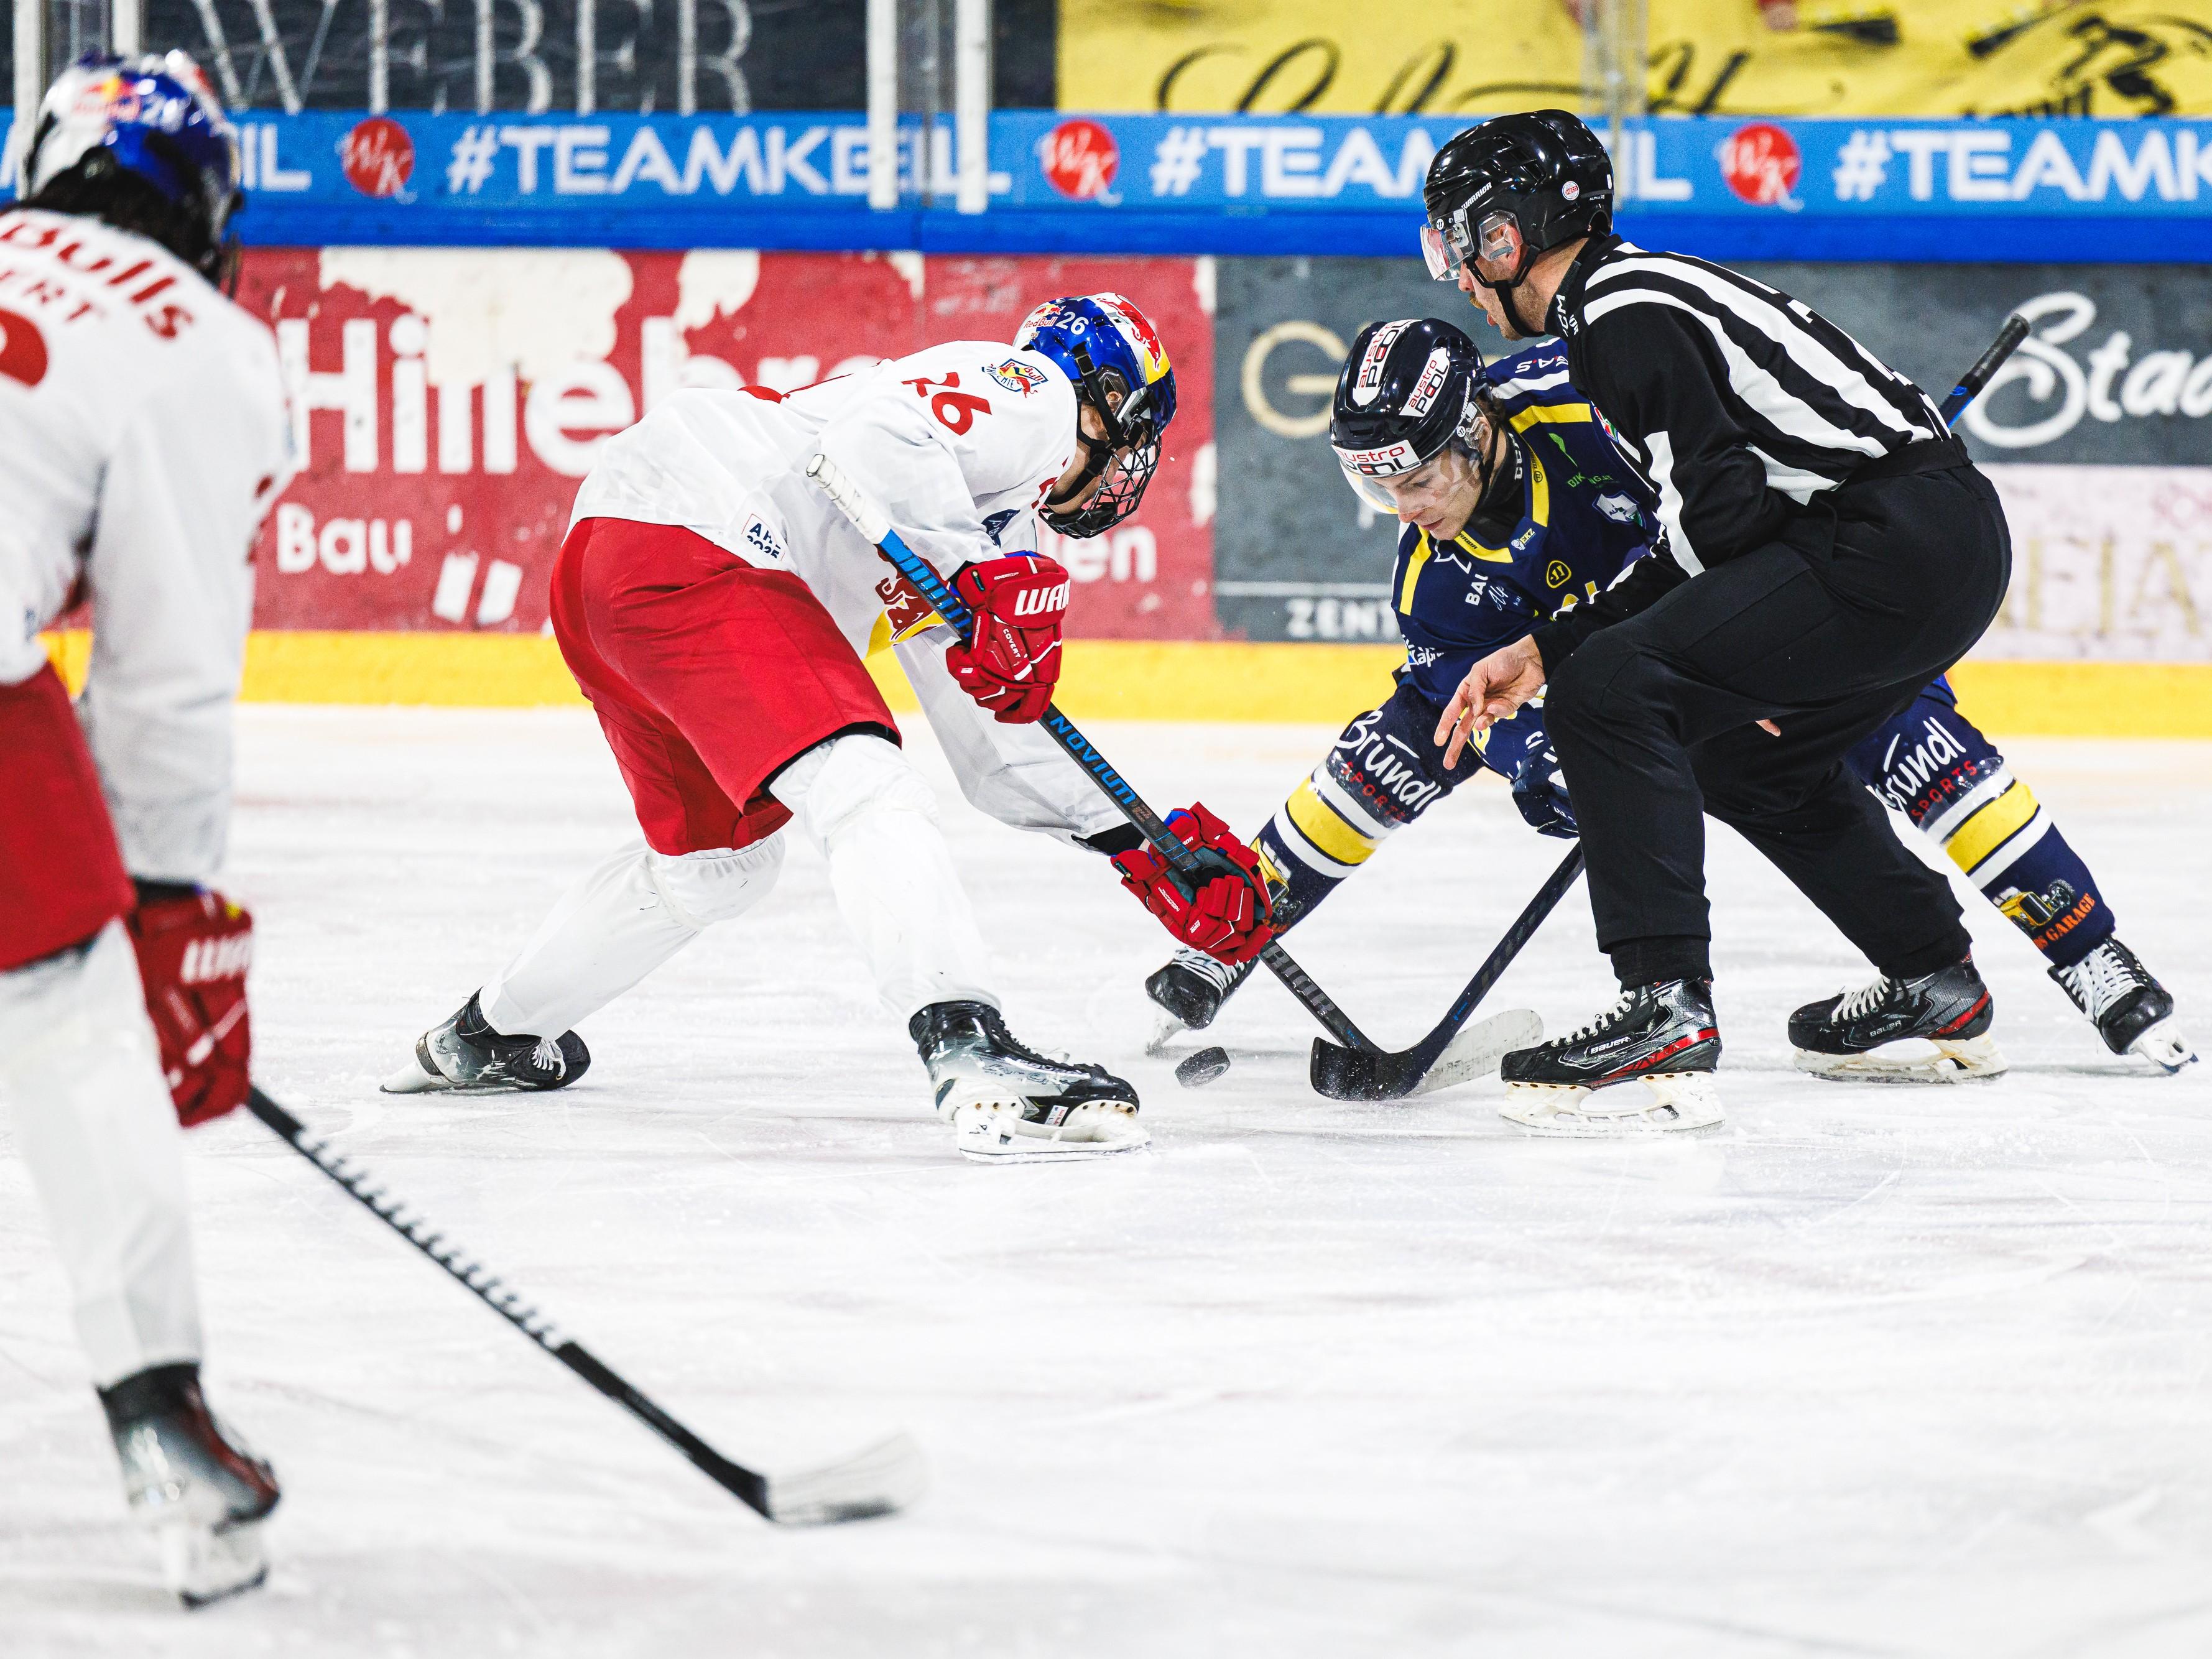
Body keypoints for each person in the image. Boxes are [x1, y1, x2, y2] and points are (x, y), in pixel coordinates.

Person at [1145, 320, 2196, 1109]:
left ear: (1474, 431)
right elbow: (1493, 711)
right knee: (1410, 734)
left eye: (1417, 477)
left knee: (1903, 730)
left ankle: (2097, 961)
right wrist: (1540, 762)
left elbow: (1757, 477)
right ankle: (1236, 930)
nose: (1406, 509)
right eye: (1377, 488)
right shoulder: (1439, 584)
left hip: (1767, 596)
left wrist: (1773, 656)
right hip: (1631, 669)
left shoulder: (1588, 410)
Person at [383, 293, 1264, 1161]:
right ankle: (972, 1051)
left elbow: (993, 746)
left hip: (615, 571)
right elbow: (876, 434)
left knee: (719, 871)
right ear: (1109, 403)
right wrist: (976, 572)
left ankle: (486, 1035)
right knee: (862, 784)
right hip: (703, 539)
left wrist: (1136, 841)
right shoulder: (1030, 395)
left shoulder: (968, 509)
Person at [1420, 108, 2017, 1133]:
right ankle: (1933, 978)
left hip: (1886, 544)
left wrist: (1579, 658)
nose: (1456, 274)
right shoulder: (1634, 297)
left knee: (1611, 690)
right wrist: (1542, 647)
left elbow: (1718, 528)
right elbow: (1721, 528)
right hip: (1945, 544)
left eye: (1456, 241)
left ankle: (1663, 1005)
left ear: (1505, 234)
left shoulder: (1619, 313)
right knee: (1749, 761)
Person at [0, 52, 291, 1603]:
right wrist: (167, 904)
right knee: (66, 1015)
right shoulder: (198, 338)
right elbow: (166, 675)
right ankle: (160, 1417)